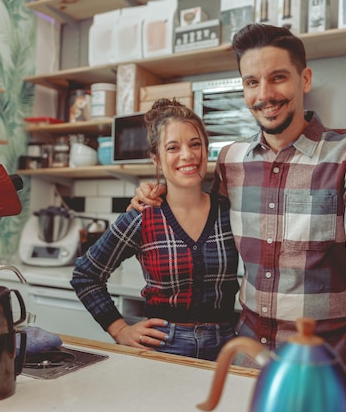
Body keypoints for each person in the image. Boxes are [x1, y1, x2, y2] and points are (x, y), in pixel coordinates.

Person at [131, 24, 346, 398]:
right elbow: (201, 214)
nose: (264, 95)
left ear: (304, 79)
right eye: (251, 82)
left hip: (323, 369)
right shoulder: (231, 161)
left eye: (278, 78)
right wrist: (158, 189)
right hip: (246, 368)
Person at [71, 98, 240, 361]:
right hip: (163, 347)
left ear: (206, 149)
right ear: (157, 159)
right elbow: (85, 275)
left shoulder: (230, 212)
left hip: (227, 350)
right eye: (173, 147)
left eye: (195, 144)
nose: (188, 155)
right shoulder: (143, 216)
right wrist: (120, 331)